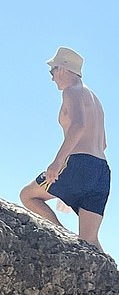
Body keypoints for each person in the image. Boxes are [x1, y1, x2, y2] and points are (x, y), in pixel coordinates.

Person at [20, 47, 110, 251]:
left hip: (79, 163)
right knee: (90, 240)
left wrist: (58, 163)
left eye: (52, 71)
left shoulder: (72, 90)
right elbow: (103, 143)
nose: (52, 78)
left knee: (28, 196)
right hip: (101, 169)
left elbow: (78, 125)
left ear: (63, 69)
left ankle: (64, 242)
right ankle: (106, 280)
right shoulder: (94, 99)